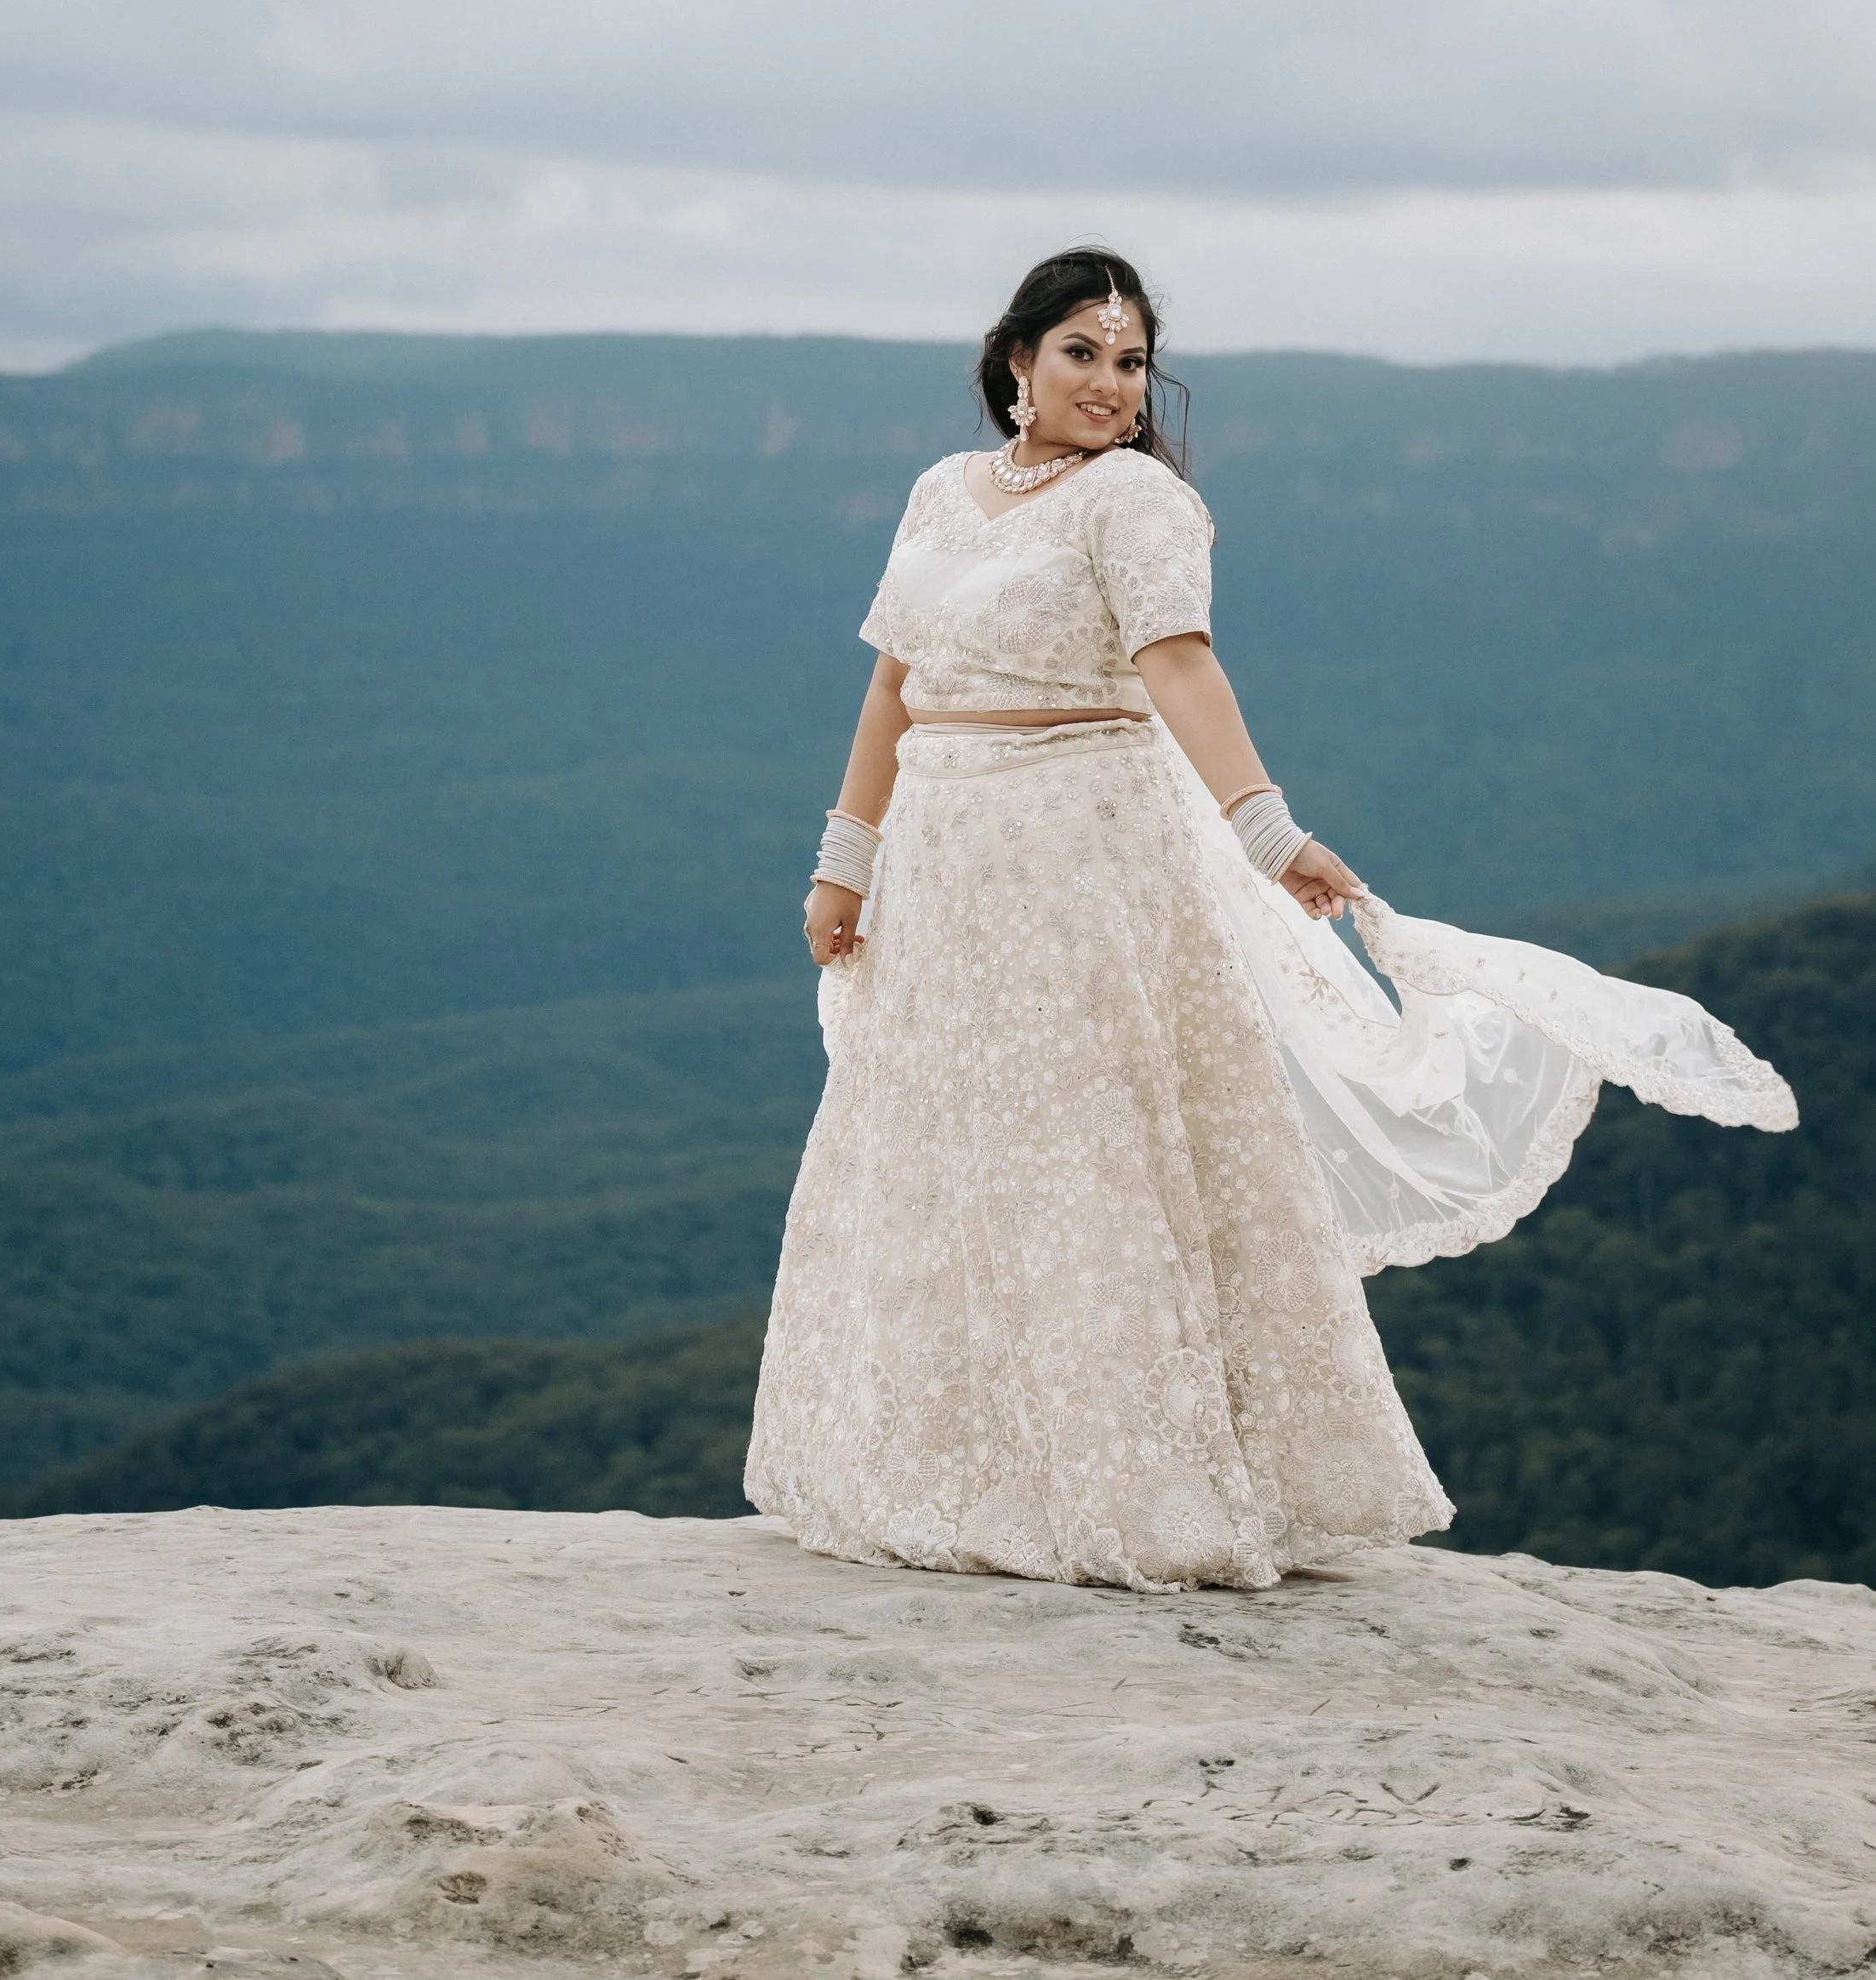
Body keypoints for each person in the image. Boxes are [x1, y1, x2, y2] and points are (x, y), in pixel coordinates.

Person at [744, 247, 1797, 1592]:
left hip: (1085, 850)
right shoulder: (939, 495)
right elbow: (897, 679)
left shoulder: (1135, 501)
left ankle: (1135, 1487)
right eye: (1082, 352)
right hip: (947, 854)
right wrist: (847, 857)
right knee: (946, 1136)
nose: (1113, 384)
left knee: (1086, 1146)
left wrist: (1266, 830)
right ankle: (944, 1463)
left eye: (1133, 361)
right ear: (1016, 362)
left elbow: (1179, 664)